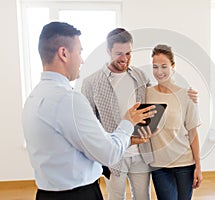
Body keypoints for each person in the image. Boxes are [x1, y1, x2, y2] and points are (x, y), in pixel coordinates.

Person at [22, 21, 155, 200]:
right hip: (79, 194)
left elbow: (82, 140)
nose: (82, 60)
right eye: (79, 52)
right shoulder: (69, 99)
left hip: (47, 193)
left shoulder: (34, 97)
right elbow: (109, 153)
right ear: (64, 53)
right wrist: (128, 121)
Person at [81, 28, 199, 200]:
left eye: (128, 53)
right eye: (118, 53)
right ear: (108, 51)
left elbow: (162, 91)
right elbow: (89, 125)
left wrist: (189, 94)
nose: (124, 58)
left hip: (141, 154)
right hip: (114, 157)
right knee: (116, 197)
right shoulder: (91, 83)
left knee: (143, 197)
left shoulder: (140, 76)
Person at [147, 44, 203, 200]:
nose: (159, 71)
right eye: (155, 67)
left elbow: (193, 132)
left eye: (164, 66)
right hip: (159, 165)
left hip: (185, 163)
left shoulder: (187, 95)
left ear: (173, 66)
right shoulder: (146, 94)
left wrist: (198, 166)